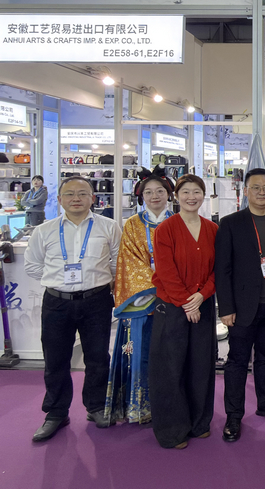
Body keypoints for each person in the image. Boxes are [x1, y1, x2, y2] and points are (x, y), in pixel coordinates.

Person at [24, 176, 121, 442]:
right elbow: (32, 266)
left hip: (97, 300)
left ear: (93, 198)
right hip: (56, 302)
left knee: (98, 357)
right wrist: (58, 280)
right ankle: (56, 413)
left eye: (82, 193)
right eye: (69, 194)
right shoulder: (44, 230)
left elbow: (116, 262)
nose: (75, 198)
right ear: (59, 199)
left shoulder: (109, 227)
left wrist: (98, 282)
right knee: (55, 360)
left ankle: (96, 407)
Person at [216, 168, 265, 443]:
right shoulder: (230, 223)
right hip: (241, 308)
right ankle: (234, 415)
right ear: (246, 191)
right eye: (256, 187)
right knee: (237, 361)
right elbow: (222, 269)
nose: (262, 192)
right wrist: (226, 308)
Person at [148, 174, 218, 449]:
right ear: (176, 196)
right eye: (186, 192)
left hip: (203, 304)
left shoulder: (212, 229)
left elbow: (218, 269)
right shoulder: (165, 229)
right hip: (173, 308)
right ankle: (172, 430)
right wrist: (187, 303)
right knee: (171, 369)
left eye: (196, 192)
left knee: (201, 366)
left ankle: (199, 422)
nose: (191, 197)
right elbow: (166, 272)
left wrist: (201, 296)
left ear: (204, 195)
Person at [105, 166, 175, 425]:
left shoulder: (179, 221)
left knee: (171, 353)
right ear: (141, 196)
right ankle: (140, 406)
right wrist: (157, 285)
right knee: (140, 351)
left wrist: (172, 287)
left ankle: (170, 406)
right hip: (142, 300)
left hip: (174, 298)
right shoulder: (133, 224)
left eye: (160, 191)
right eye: (149, 192)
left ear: (169, 194)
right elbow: (129, 262)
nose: (154, 196)